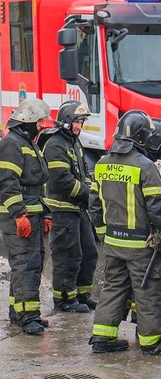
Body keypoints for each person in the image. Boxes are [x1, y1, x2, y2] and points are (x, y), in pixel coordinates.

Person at [88, 111, 161, 355]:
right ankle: (150, 342)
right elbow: (158, 210)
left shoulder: (101, 163)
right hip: (140, 245)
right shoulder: (145, 166)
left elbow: (95, 205)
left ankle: (102, 337)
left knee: (113, 287)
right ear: (143, 138)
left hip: (112, 242)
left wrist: (103, 235)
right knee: (148, 291)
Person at [0, 98, 52, 335]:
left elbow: (38, 186)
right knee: (25, 266)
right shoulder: (12, 144)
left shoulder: (28, 143)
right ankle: (28, 316)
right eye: (40, 121)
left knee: (32, 264)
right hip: (18, 217)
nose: (43, 125)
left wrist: (46, 214)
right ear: (28, 120)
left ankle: (18, 313)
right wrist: (19, 215)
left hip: (33, 214)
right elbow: (7, 183)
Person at [42, 101, 97, 313]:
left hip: (77, 209)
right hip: (62, 210)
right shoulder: (55, 144)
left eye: (81, 122)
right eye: (76, 121)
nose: (79, 126)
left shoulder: (74, 142)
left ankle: (82, 294)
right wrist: (87, 193)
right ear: (66, 121)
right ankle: (64, 300)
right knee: (68, 255)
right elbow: (61, 180)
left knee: (89, 253)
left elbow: (85, 173)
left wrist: (90, 190)